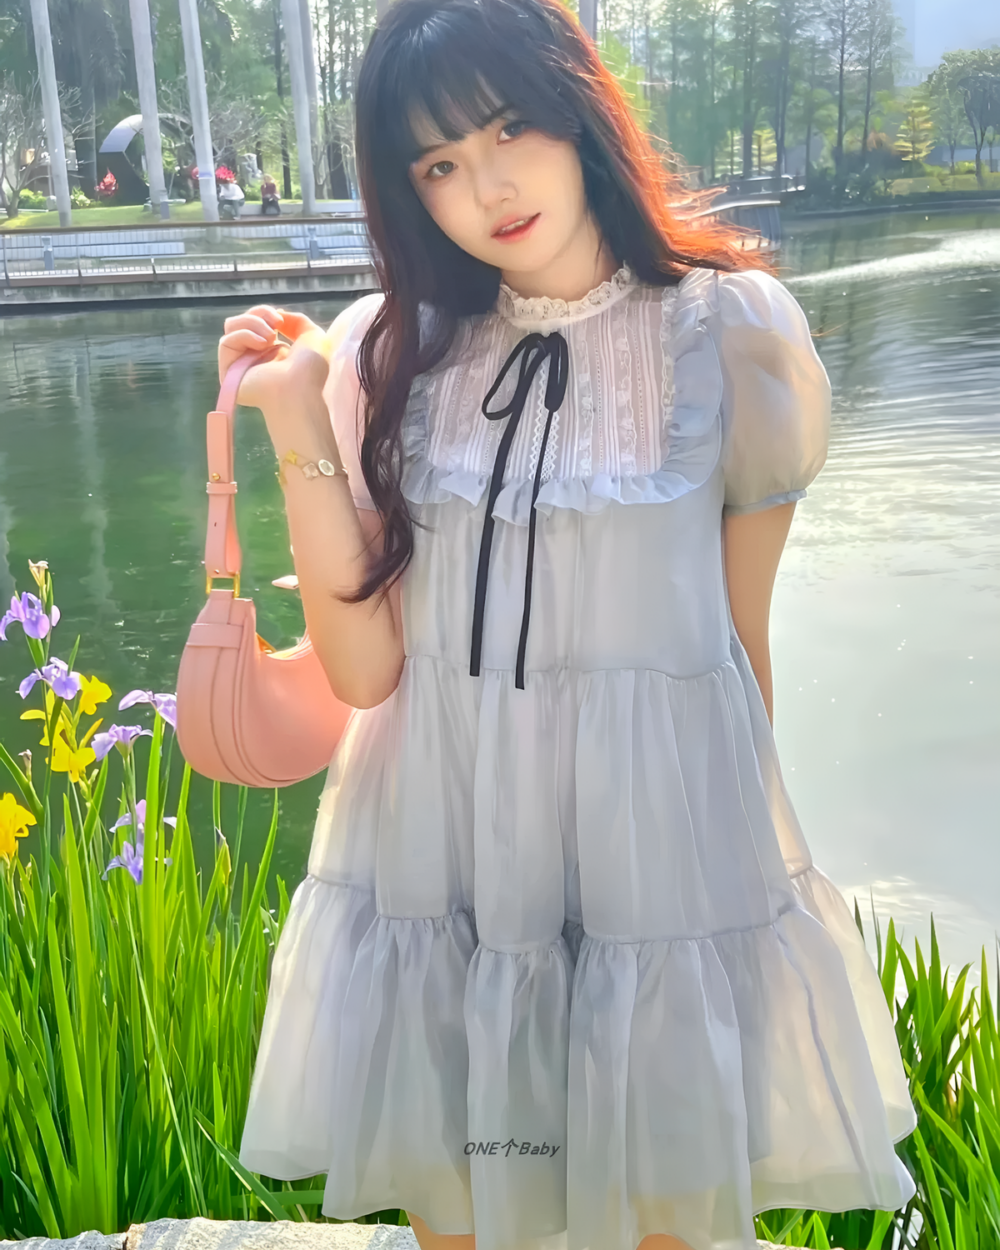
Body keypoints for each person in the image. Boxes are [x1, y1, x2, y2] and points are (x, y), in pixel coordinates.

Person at [217, 0, 917, 1247]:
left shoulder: (730, 333)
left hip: (656, 847)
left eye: (506, 128)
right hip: (443, 839)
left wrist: (732, 887)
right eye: (435, 164)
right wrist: (294, 422)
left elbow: (737, 648)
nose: (485, 186)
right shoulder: (395, 348)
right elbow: (367, 669)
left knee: (664, 1218)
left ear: (578, 108)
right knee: (465, 1206)